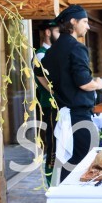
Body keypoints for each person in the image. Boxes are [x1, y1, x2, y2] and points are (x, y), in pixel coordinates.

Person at [40, 5, 102, 182]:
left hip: (65, 114)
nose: (88, 26)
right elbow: (84, 83)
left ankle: (67, 198)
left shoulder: (53, 50)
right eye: (84, 21)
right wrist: (98, 84)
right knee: (88, 161)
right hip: (78, 116)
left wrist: (54, 90)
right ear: (73, 22)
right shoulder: (77, 48)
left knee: (70, 162)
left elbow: (38, 71)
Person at [33, 20, 60, 183]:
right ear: (48, 33)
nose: (60, 35)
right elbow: (49, 83)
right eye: (57, 31)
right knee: (52, 143)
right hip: (49, 105)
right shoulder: (41, 55)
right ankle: (50, 182)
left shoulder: (52, 52)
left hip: (56, 105)